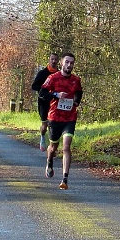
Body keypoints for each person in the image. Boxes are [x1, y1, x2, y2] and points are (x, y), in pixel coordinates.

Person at [38, 52, 83, 190]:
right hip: (55, 117)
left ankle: (65, 179)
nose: (69, 65)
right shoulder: (53, 78)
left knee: (66, 147)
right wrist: (56, 94)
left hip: (70, 118)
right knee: (53, 148)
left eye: (72, 63)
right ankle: (49, 161)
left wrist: (76, 102)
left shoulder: (76, 80)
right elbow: (42, 93)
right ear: (62, 63)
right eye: (67, 62)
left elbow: (79, 92)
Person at [31, 52, 59, 151]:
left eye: (55, 59)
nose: (54, 61)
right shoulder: (42, 73)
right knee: (45, 125)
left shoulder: (59, 74)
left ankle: (52, 146)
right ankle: (43, 136)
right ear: (49, 60)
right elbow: (34, 86)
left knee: (53, 124)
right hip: (43, 102)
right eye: (52, 59)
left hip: (54, 103)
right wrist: (44, 90)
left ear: (58, 61)